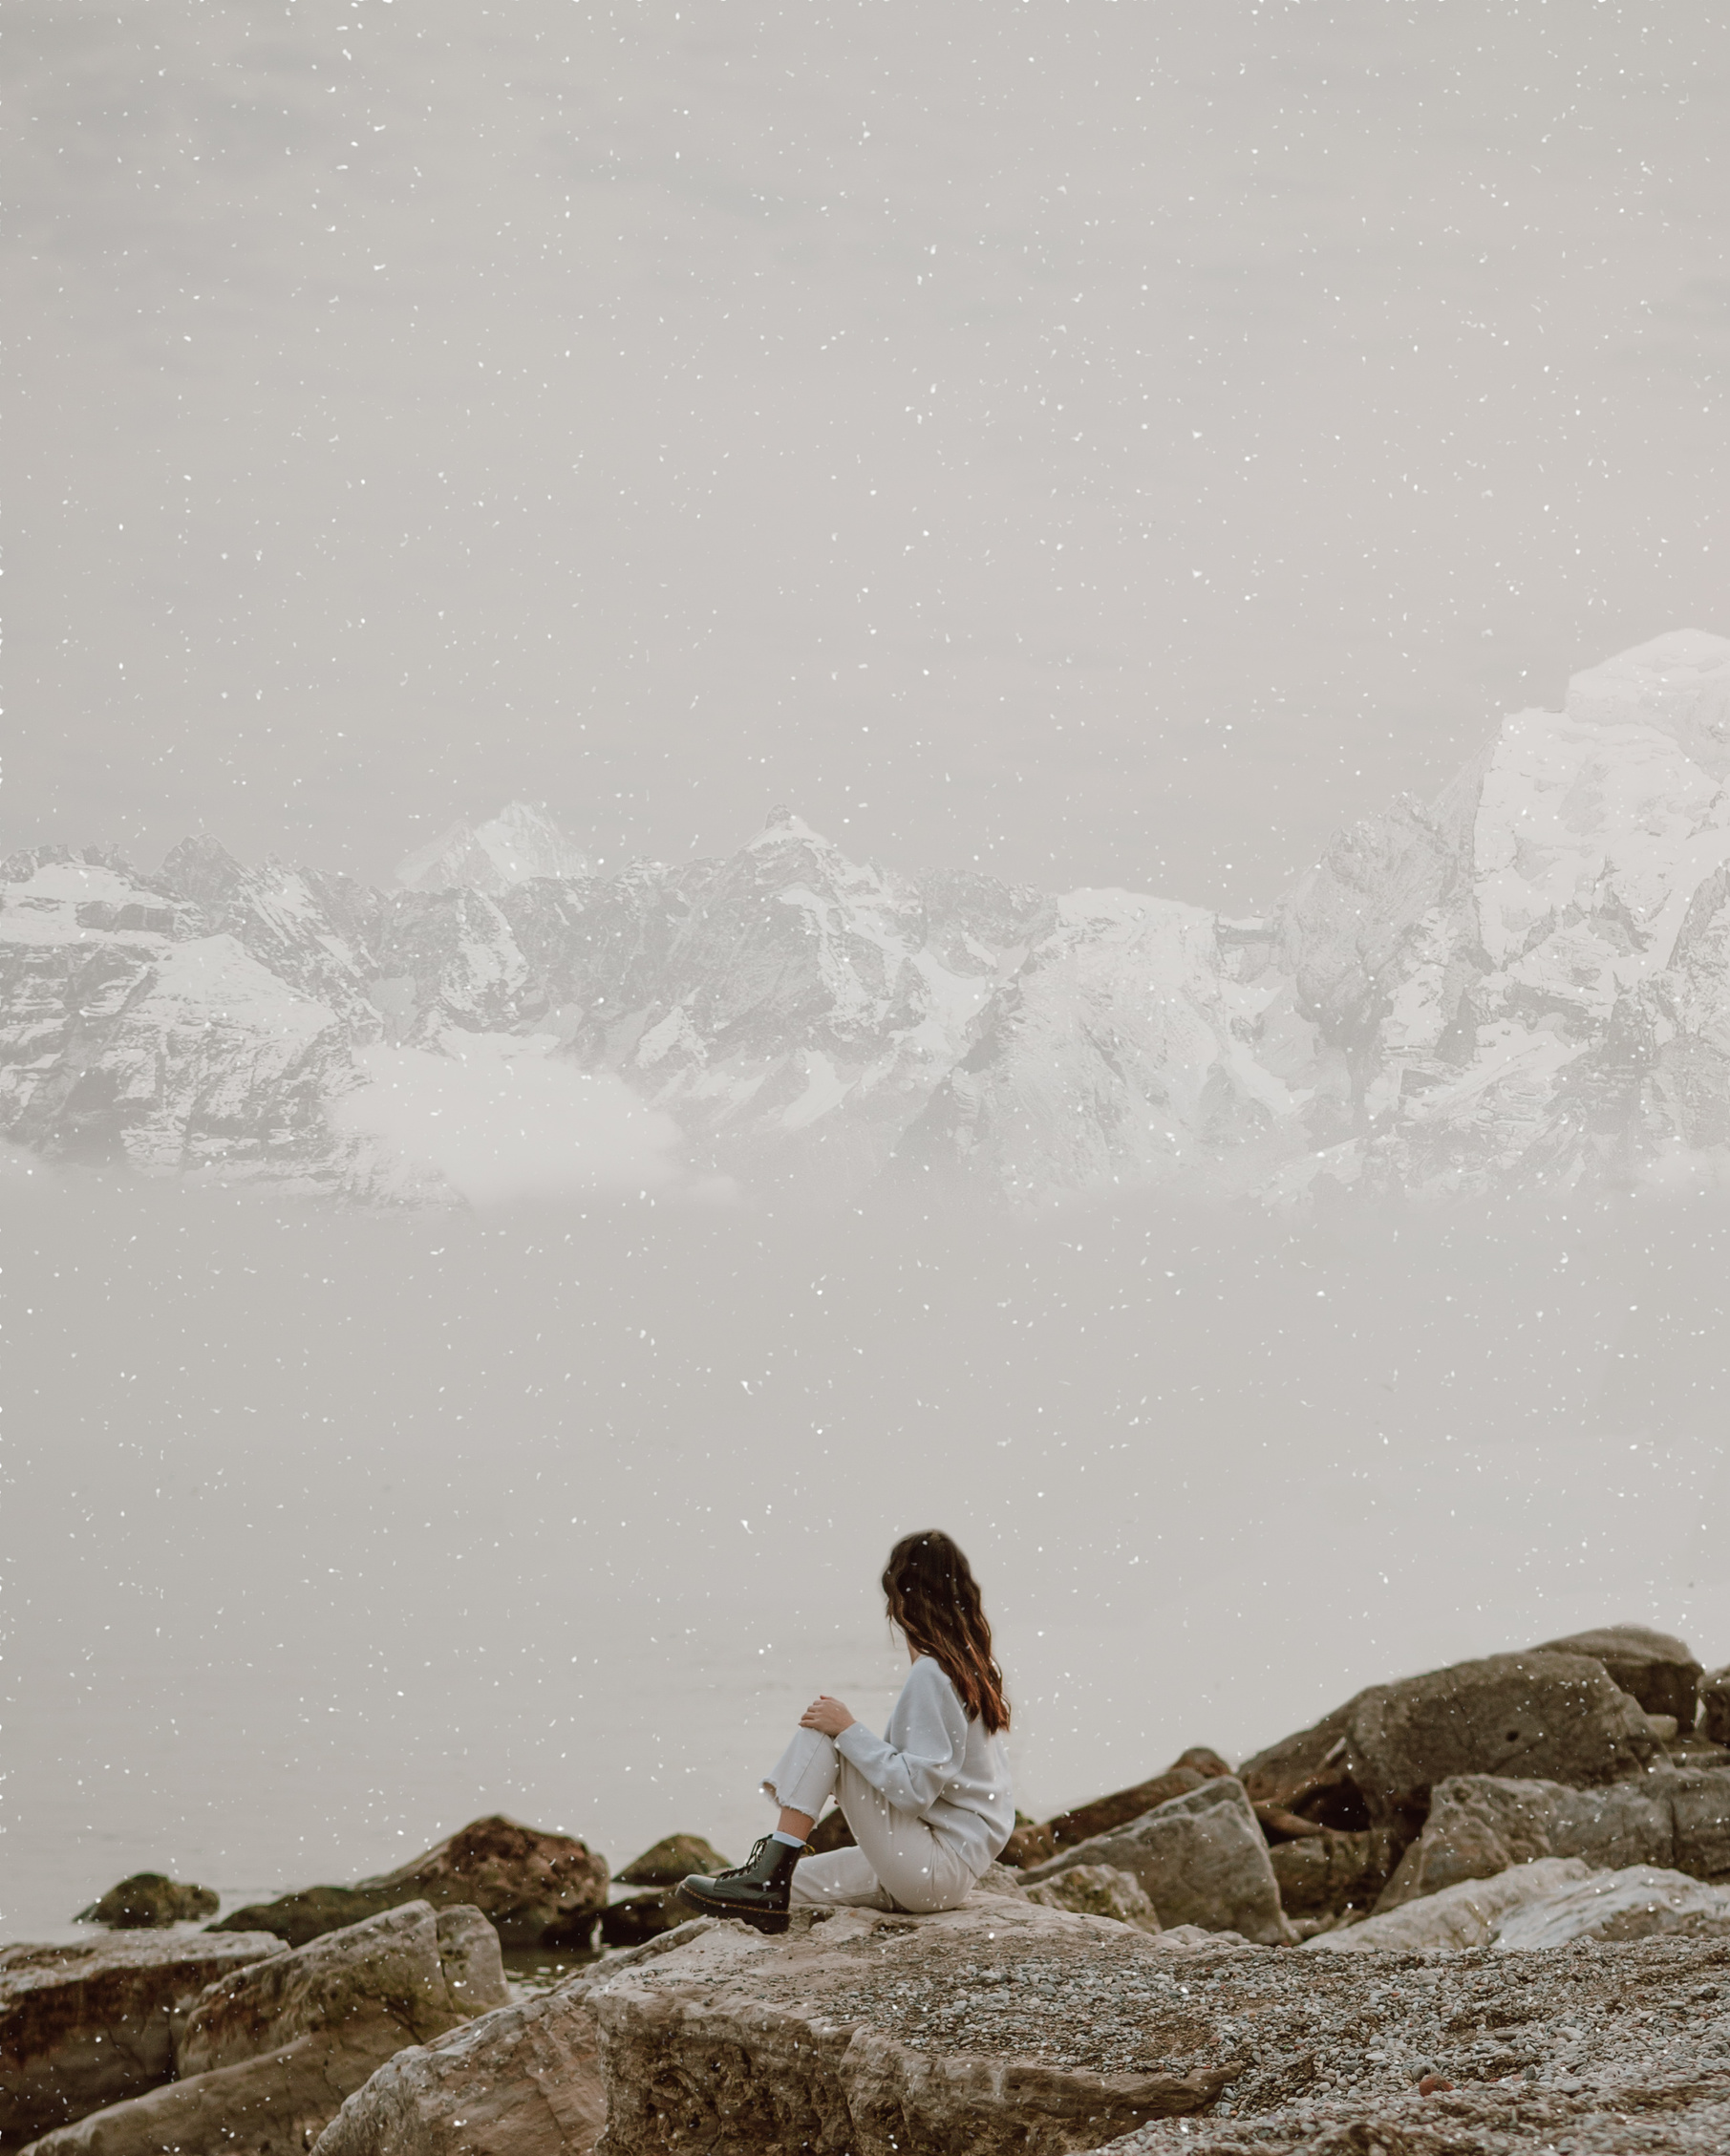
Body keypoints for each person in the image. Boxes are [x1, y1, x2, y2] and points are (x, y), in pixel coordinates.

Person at [678, 1529, 1013, 1931]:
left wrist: (848, 1732)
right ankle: (768, 1880)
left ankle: (766, 1877)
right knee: (793, 1885)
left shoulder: (932, 1674)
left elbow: (915, 1789)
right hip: (946, 1869)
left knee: (826, 1729)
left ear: (901, 1598)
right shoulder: (970, 1668)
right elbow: (937, 1780)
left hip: (933, 1867)